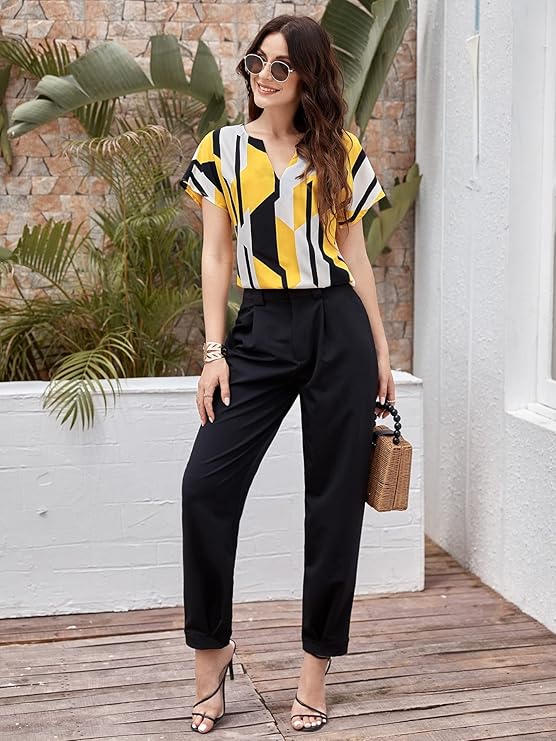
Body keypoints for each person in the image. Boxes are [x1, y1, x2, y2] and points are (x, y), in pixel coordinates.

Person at [179, 13, 396, 734]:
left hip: (337, 324)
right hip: (261, 328)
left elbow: (355, 256)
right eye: (256, 62)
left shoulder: (339, 150)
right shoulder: (223, 149)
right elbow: (217, 255)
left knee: (333, 502)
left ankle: (314, 670)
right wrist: (214, 354)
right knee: (206, 485)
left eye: (280, 67)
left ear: (307, 78)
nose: (263, 77)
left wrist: (382, 350)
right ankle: (212, 654)